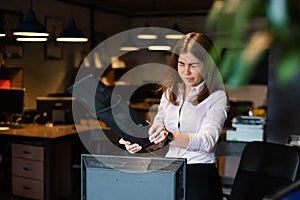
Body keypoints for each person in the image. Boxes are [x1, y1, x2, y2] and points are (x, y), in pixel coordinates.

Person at [119, 32, 229, 200]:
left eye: (193, 65)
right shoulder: (170, 92)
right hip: (168, 171)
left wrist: (168, 136)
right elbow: (158, 136)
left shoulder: (217, 96)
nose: (186, 71)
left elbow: (207, 141)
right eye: (181, 64)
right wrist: (140, 142)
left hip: (199, 174)